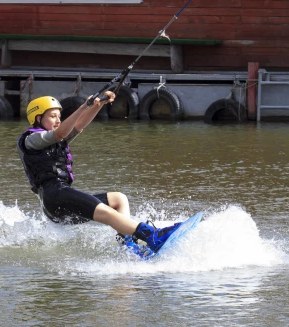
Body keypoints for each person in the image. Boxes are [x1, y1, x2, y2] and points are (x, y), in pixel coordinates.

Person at [17, 92, 180, 253]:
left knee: (118, 199)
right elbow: (60, 133)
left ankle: (128, 247)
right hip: (54, 197)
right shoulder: (30, 140)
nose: (58, 120)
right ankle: (152, 236)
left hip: (60, 200)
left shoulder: (57, 138)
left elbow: (79, 125)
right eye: (53, 116)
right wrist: (82, 107)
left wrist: (98, 105)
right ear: (38, 118)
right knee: (106, 212)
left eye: (59, 116)